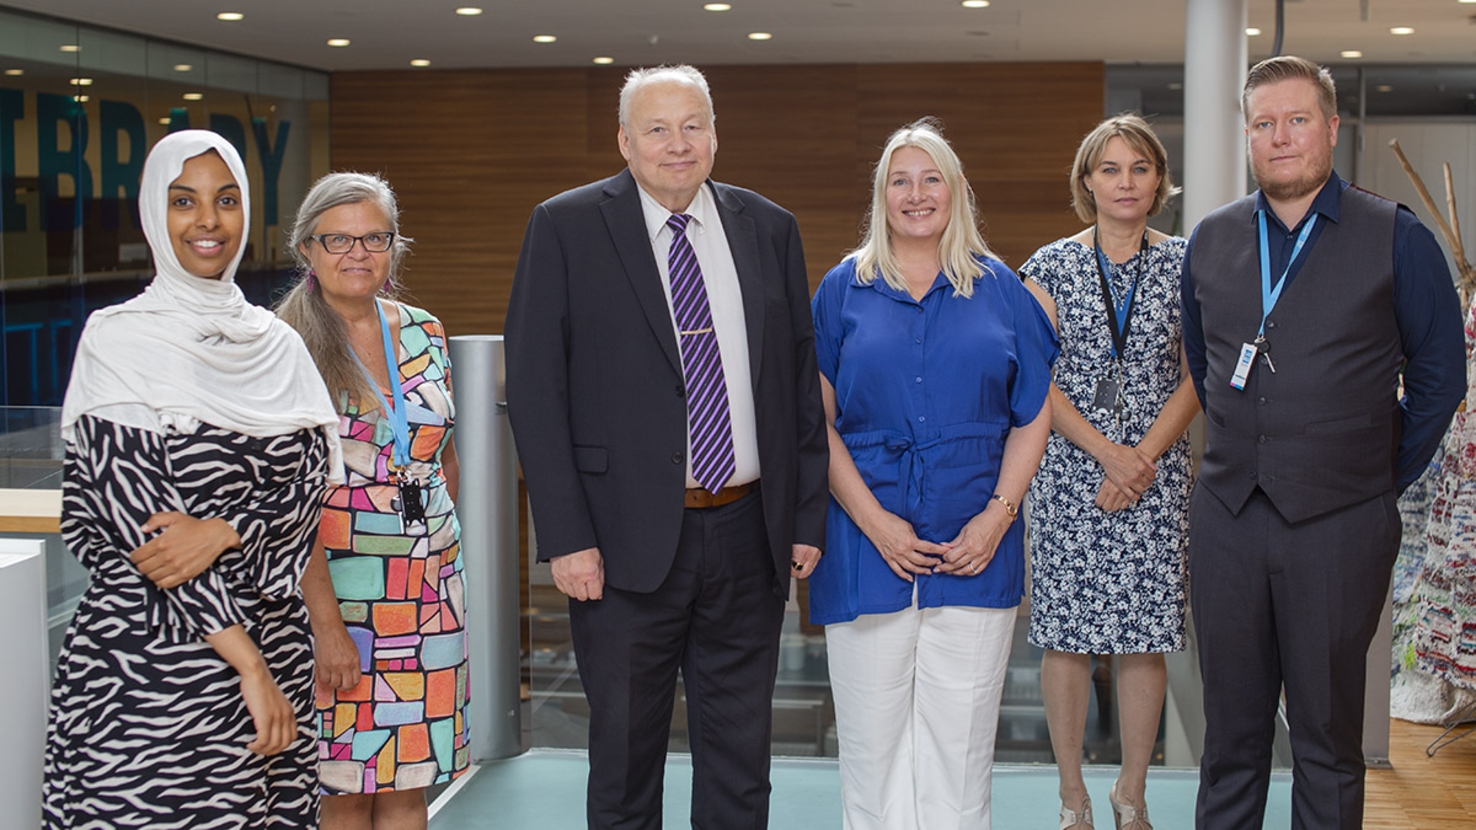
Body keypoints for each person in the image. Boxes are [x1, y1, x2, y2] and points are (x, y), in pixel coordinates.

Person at [504, 64, 828, 829]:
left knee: (742, 763)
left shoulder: (769, 226)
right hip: (618, 543)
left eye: (692, 126)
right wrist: (566, 538)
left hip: (748, 534)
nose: (677, 144)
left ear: (715, 135)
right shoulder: (566, 226)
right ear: (625, 141)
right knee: (624, 760)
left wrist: (803, 518)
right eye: (657, 129)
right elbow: (537, 393)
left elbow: (796, 381)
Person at [1181, 55, 1466, 829]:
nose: (1280, 137)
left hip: (1342, 525)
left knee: (1329, 742)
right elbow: (1207, 369)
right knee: (1229, 740)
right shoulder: (1210, 240)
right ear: (1248, 135)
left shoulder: (1396, 237)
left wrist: (1373, 475)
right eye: (1264, 123)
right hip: (1228, 522)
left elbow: (1440, 380)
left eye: (1297, 119)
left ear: (1331, 128)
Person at [43, 130, 342, 828]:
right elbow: (150, 541)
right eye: (185, 201)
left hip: (276, 646)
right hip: (153, 666)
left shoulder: (276, 344)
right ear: (155, 211)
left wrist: (225, 529)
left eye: (226, 200)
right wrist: (248, 668)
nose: (208, 220)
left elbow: (306, 498)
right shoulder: (119, 341)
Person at [807, 117, 1057, 830]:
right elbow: (816, 425)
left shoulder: (1003, 289)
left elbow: (1032, 414)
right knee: (872, 751)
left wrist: (997, 518)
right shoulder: (841, 289)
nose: (916, 195)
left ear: (955, 191)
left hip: (975, 544)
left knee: (960, 753)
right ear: (881, 195)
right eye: (900, 181)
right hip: (865, 543)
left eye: (930, 179)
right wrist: (877, 524)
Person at [276, 172, 471, 829]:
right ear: (307, 248)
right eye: (338, 239)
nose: (357, 253)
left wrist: (438, 551)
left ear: (394, 246)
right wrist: (326, 627)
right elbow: (284, 506)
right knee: (345, 787)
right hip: (340, 598)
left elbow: (442, 455)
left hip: (430, 593)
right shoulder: (281, 344)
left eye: (374, 238)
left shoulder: (424, 330)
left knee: (410, 783)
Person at [1020, 114, 1198, 830]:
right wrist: (1109, 453)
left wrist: (1139, 458)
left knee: (1142, 638)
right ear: (1087, 182)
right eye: (1110, 169)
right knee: (1066, 636)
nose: (1126, 182)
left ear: (1159, 182)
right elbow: (1034, 378)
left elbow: (1198, 375)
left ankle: (1133, 792)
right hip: (1070, 473)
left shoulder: (1188, 262)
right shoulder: (1049, 266)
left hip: (1156, 477)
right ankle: (1073, 796)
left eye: (1140, 168)